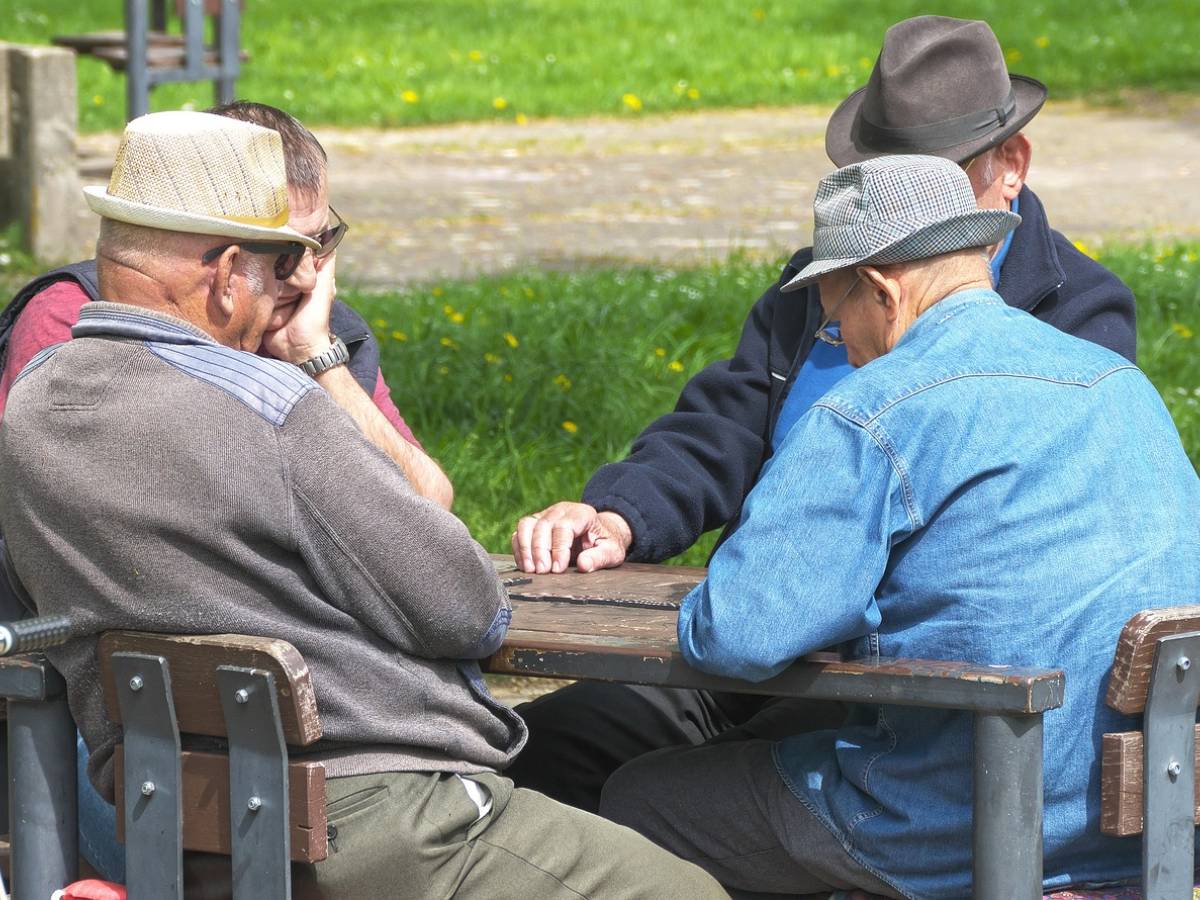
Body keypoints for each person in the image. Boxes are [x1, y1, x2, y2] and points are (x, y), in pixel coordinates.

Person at [0, 111, 726, 900]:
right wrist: (313, 370)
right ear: (226, 271)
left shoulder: (31, 408)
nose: (302, 283)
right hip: (379, 822)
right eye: (284, 263)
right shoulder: (270, 407)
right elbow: (468, 605)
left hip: (177, 828)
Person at [507, 14, 1139, 813]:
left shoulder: (1073, 317)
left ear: (1010, 164)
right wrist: (618, 513)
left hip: (904, 678)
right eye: (879, 175)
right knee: (537, 751)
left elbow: (1033, 551)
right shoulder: (822, 282)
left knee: (670, 800)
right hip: (758, 637)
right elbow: (724, 424)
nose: (897, 205)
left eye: (931, 176)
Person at [599, 154, 1199, 897]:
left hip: (949, 819)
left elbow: (740, 633)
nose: (837, 339)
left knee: (641, 797)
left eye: (832, 316)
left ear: (881, 291)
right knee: (774, 748)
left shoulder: (873, 409)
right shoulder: (1122, 387)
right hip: (1143, 818)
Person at [0, 100, 451, 510]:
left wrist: (320, 361)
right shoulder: (73, 320)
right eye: (285, 253)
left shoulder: (323, 328)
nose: (308, 276)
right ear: (221, 256)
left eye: (323, 242)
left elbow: (428, 508)